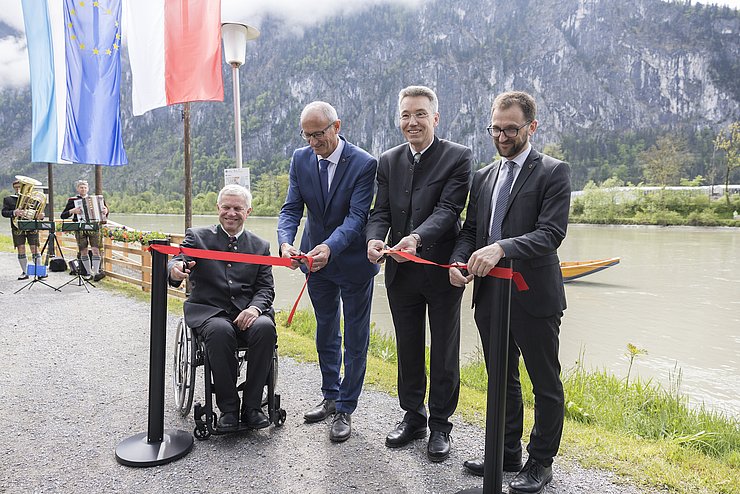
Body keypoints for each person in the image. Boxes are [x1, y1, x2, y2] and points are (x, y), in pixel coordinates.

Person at [449, 91, 571, 493]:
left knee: (544, 383)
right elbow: (470, 231)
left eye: (511, 129)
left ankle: (541, 462)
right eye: (496, 128)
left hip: (534, 295)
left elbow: (550, 234)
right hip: (490, 296)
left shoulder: (554, 172)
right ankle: (506, 452)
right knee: (502, 378)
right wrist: (459, 260)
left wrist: (502, 247)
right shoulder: (483, 176)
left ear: (531, 127)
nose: (502, 136)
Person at [366, 85, 472, 462]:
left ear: (435, 118)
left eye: (420, 114)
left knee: (444, 350)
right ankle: (414, 416)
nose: (412, 122)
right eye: (406, 115)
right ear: (399, 119)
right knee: (407, 347)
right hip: (400, 273)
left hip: (441, 271)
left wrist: (415, 237)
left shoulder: (459, 157)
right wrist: (375, 240)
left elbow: (449, 211)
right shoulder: (388, 160)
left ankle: (441, 424)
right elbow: (380, 212)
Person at [277, 101, 379, 443]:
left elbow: (356, 218)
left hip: (352, 263)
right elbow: (291, 208)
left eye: (318, 134)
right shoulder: (300, 158)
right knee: (325, 331)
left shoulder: (365, 164)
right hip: (313, 263)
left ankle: (346, 408)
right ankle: (330, 395)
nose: (312, 143)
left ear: (337, 126)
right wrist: (285, 243)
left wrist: (330, 248)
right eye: (307, 135)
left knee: (355, 337)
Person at [168, 184, 277, 431]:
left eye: (237, 208)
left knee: (265, 328)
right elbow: (177, 261)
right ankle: (228, 408)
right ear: (218, 208)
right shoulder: (197, 237)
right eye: (226, 207)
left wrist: (254, 309)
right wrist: (175, 271)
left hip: (248, 311)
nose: (231, 213)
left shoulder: (260, 245)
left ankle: (252, 406)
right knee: (219, 331)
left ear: (248, 211)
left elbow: (266, 289)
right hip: (210, 311)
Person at [60, 179, 108, 281]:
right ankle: (87, 273)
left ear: (88, 188)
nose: (83, 189)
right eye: (81, 187)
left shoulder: (96, 199)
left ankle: (96, 273)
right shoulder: (72, 200)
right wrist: (73, 211)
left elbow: (105, 211)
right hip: (80, 227)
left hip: (94, 226)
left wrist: (106, 210)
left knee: (95, 250)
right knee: (83, 250)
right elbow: (63, 215)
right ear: (78, 189)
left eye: (85, 187)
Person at [2, 178, 42, 280]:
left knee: (34, 248)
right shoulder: (8, 199)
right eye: (16, 187)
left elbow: (38, 211)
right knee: (21, 248)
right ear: (14, 188)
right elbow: (4, 213)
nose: (19, 189)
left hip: (31, 226)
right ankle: (25, 272)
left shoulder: (33, 198)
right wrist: (15, 212)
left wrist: (39, 215)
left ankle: (40, 272)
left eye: (20, 186)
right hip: (17, 227)